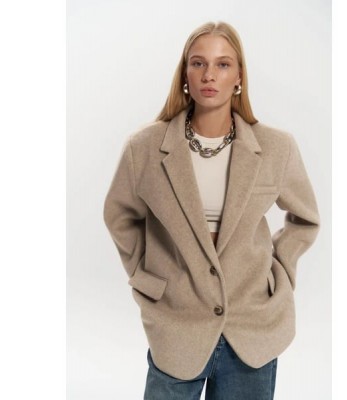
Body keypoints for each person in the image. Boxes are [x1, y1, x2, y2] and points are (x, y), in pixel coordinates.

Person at [103, 21, 320, 400]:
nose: (209, 75)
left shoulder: (277, 148)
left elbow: (305, 219)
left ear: (239, 77)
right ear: (185, 74)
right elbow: (119, 216)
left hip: (252, 328)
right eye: (198, 63)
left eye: (223, 64)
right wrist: (146, 277)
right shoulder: (144, 148)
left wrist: (279, 272)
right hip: (176, 326)